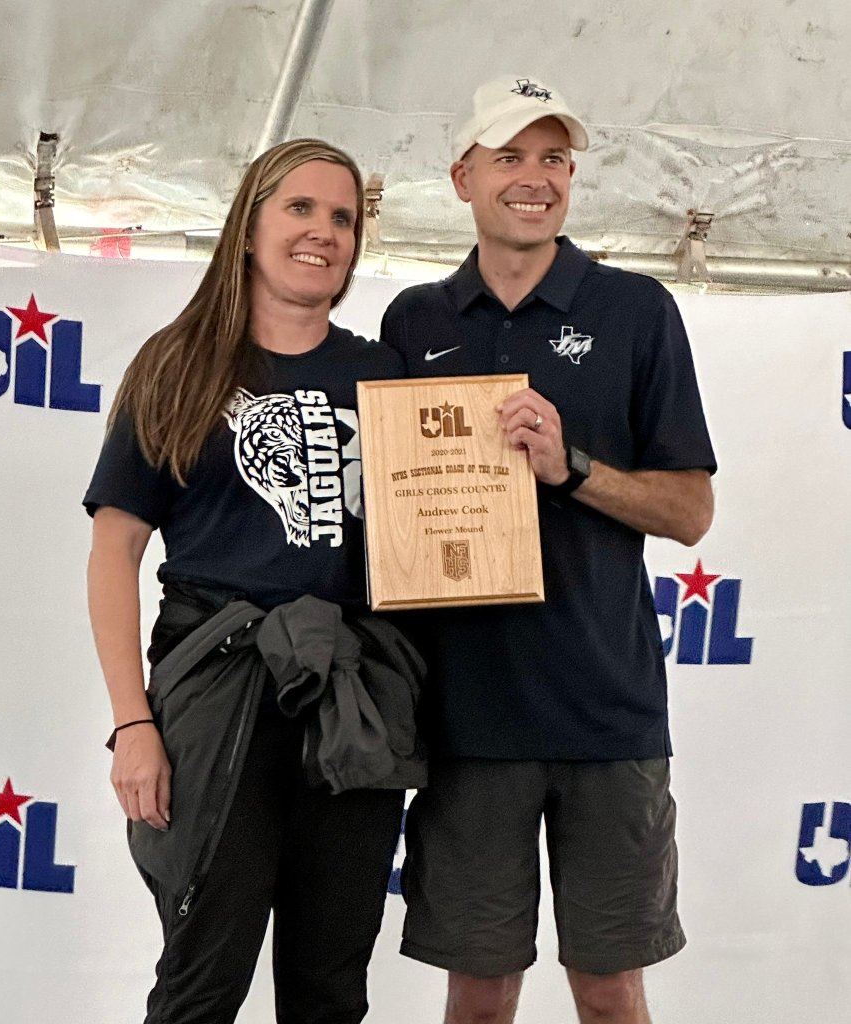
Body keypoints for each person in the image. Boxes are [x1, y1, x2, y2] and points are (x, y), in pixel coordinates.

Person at [380, 76, 717, 1024]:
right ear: (463, 178)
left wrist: (572, 469)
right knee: (480, 997)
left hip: (607, 716)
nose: (535, 178)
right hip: (466, 720)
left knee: (609, 994)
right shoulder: (415, 320)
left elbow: (691, 510)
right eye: (510, 157)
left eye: (555, 158)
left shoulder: (636, 309)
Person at [85, 138, 423, 1024]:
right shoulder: (179, 364)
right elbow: (115, 552)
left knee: (330, 989)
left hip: (349, 695)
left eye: (342, 217)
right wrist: (132, 723)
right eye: (300, 208)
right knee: (202, 981)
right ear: (248, 226)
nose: (324, 232)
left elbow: (430, 538)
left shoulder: (381, 376)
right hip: (218, 686)